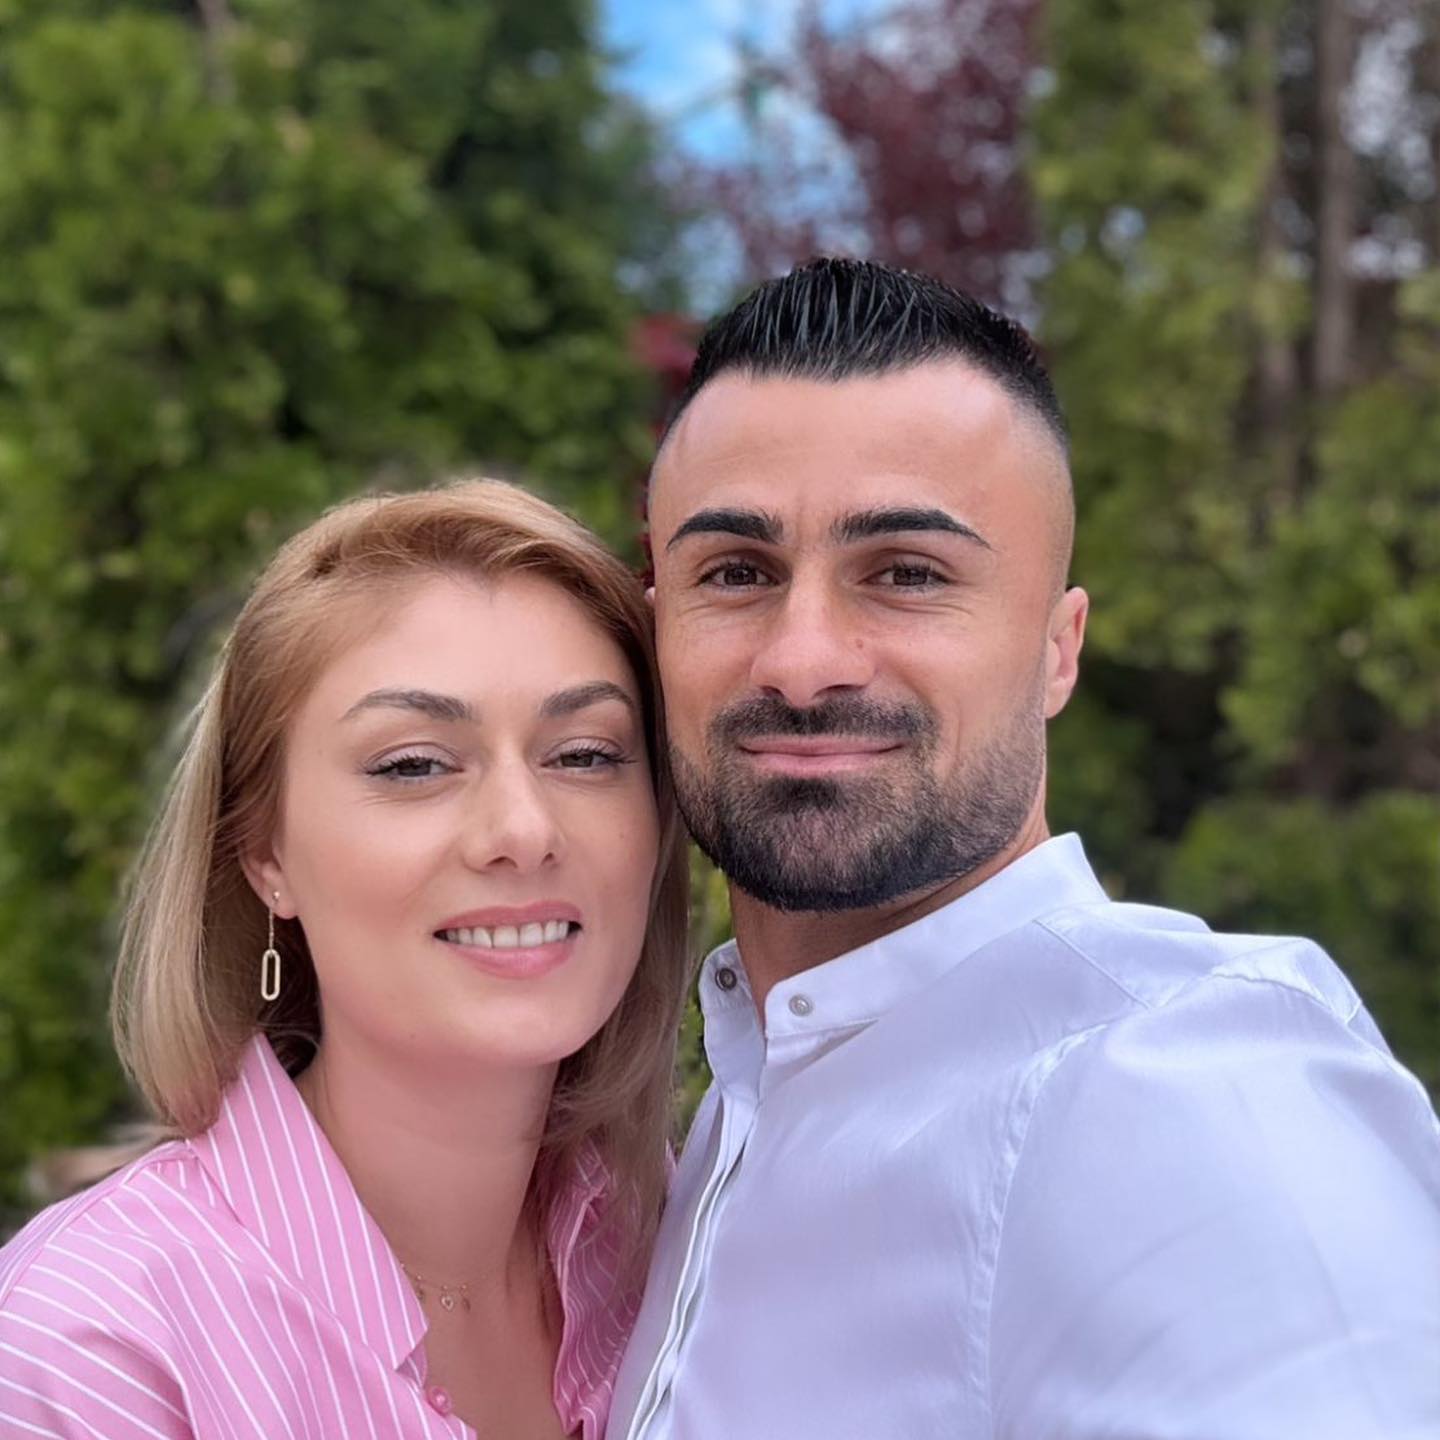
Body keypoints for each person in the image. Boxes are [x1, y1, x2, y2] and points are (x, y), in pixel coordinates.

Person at [609, 258, 1440, 1440]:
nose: (802, 661)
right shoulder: (728, 1109)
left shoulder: (1190, 1096)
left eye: (907, 574)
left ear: (1059, 649)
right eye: (735, 574)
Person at [0, 479, 691, 1438]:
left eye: (584, 754)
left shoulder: (666, 1246)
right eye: (414, 765)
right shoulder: (90, 1345)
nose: (524, 831)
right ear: (264, 853)